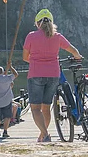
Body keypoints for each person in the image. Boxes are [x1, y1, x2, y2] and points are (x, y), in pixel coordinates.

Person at [23, 8, 82, 143]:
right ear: (51, 22)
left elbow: (25, 57)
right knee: (46, 107)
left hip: (36, 75)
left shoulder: (31, 36)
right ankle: (42, 136)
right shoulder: (58, 37)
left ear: (38, 23)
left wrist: (36, 59)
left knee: (35, 108)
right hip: (53, 75)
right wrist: (78, 56)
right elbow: (73, 50)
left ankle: (45, 134)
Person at [0, 65, 18, 138]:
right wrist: (11, 67)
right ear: (3, 71)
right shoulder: (7, 78)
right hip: (7, 100)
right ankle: (5, 131)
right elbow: (16, 74)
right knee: (7, 117)